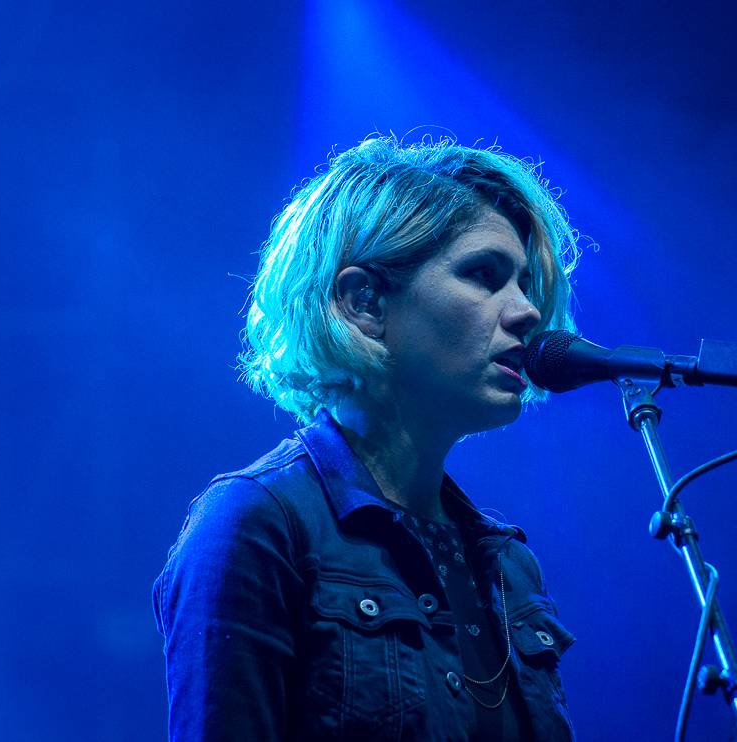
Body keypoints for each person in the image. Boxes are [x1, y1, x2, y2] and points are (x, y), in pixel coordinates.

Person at [153, 135, 583, 741]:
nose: (527, 312)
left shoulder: (509, 566)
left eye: (526, 285)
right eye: (484, 276)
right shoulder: (258, 523)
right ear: (365, 304)